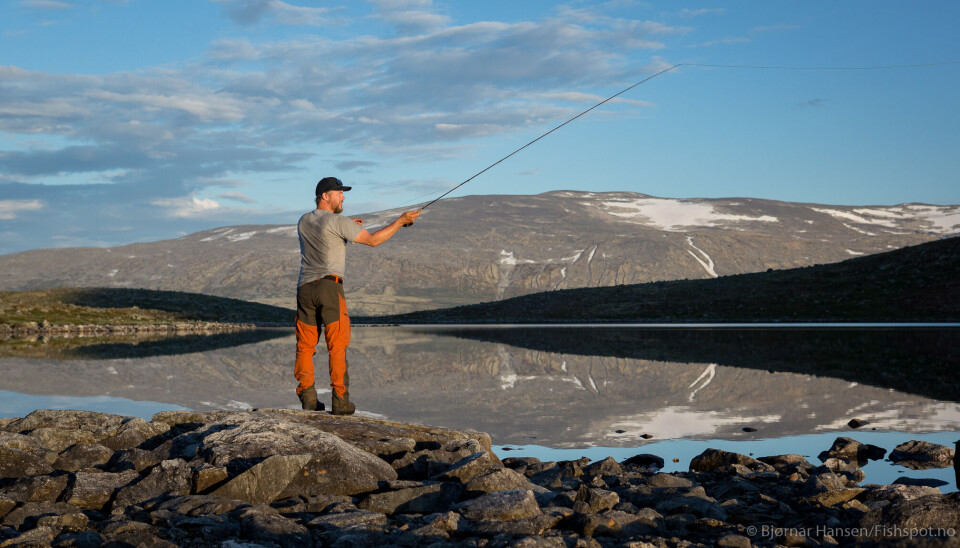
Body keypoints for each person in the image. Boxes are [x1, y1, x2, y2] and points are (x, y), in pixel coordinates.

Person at [294, 176, 421, 414]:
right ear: (325, 196)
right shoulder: (338, 221)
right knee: (337, 345)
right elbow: (373, 241)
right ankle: (340, 402)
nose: (343, 196)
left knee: (305, 346)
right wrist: (400, 222)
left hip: (304, 289)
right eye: (339, 193)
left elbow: (325, 233)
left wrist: (348, 226)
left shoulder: (304, 220)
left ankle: (308, 400)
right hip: (329, 289)